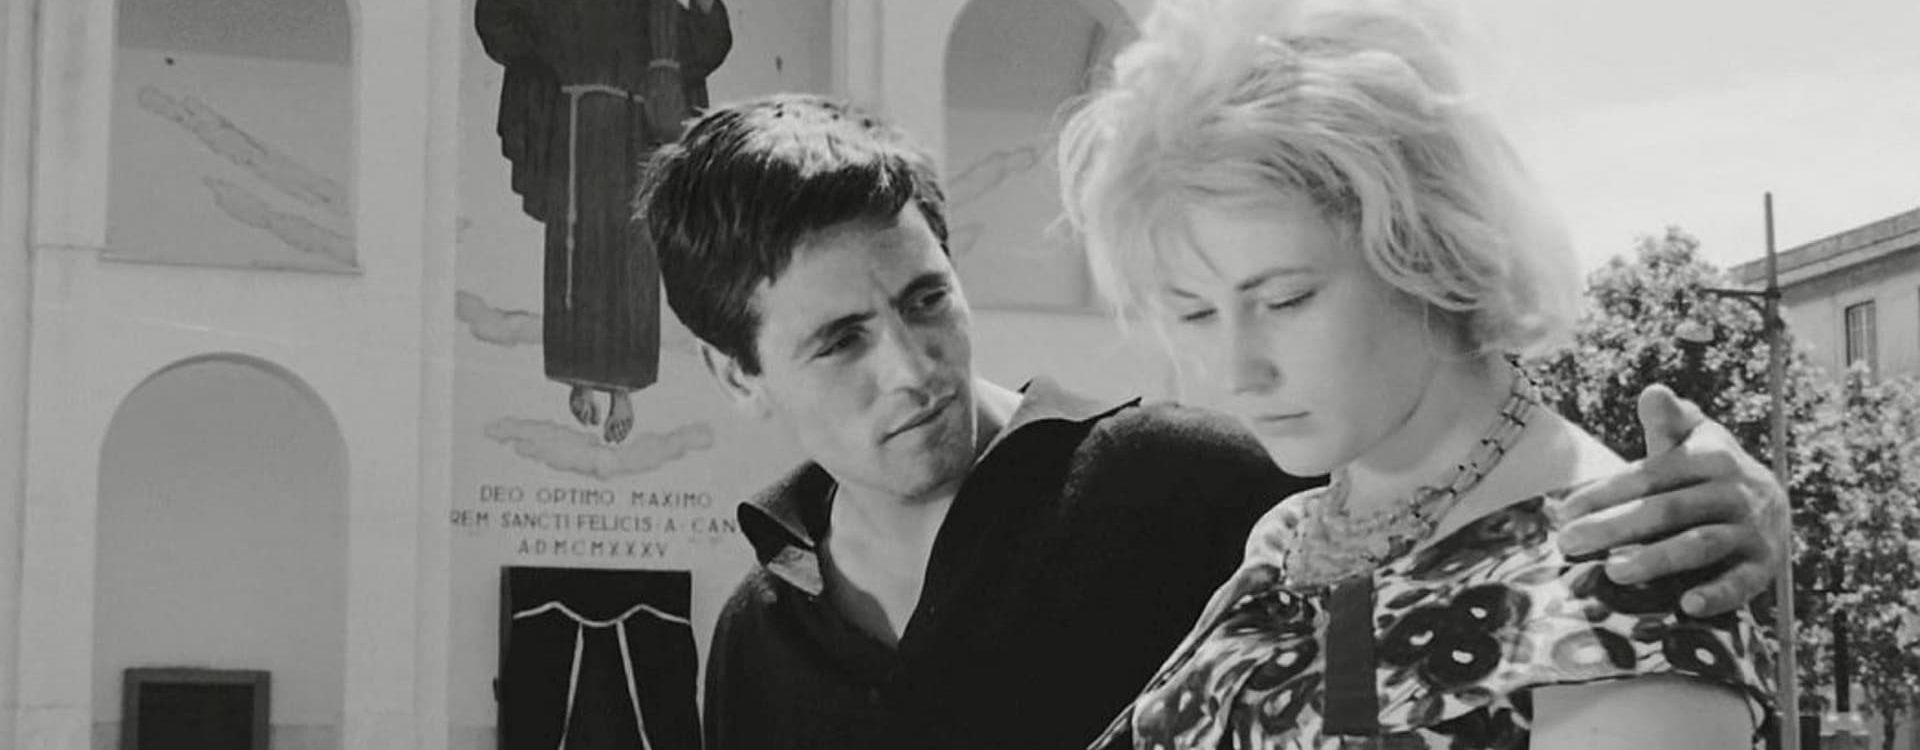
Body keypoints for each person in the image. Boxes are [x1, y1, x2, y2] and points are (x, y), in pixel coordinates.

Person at [635, 94, 1785, 750]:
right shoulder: (752, 636)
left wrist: (1722, 501)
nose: (912, 369)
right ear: (738, 373)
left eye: (926, 299)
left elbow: (1454, 496)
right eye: (839, 341)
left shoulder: (1178, 480)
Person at [1055, 1, 1774, 748]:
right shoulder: (1290, 539)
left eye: (1286, 299)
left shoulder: (1621, 592)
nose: (1236, 370)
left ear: (1427, 251)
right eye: (1195, 313)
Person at [476, 0, 732, 444]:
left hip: (636, 139)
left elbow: (702, 49)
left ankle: (622, 390)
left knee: (631, 265)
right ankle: (578, 374)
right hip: (575, 134)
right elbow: (505, 32)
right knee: (575, 258)